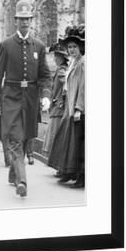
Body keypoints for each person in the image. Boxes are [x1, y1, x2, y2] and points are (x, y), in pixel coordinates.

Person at [0, 0, 51, 197]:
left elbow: (45, 75)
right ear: (15, 20)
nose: (25, 22)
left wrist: (46, 95)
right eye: (21, 19)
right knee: (15, 138)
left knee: (25, 139)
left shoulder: (39, 46)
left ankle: (12, 174)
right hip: (11, 97)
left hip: (31, 99)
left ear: (31, 20)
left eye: (28, 19)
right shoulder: (6, 45)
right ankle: (21, 181)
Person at [49, 26, 85, 188]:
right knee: (67, 140)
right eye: (69, 47)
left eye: (74, 47)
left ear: (80, 48)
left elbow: (83, 87)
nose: (71, 50)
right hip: (69, 107)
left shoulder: (82, 64)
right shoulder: (73, 63)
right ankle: (67, 171)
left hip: (77, 109)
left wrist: (79, 108)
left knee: (79, 144)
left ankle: (81, 176)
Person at [44, 42, 69, 169]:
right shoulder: (62, 69)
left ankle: (59, 165)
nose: (54, 58)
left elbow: (66, 86)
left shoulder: (62, 70)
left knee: (56, 136)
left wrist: (60, 100)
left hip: (59, 106)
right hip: (57, 105)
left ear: (62, 57)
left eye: (57, 56)